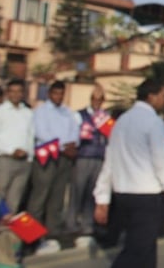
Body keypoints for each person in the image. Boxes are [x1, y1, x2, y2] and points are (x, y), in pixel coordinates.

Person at [93, 79, 164, 268]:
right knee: (137, 250)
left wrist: (102, 198)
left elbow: (110, 161)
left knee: (147, 249)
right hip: (145, 194)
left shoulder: (121, 121)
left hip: (123, 193)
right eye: (162, 95)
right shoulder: (153, 122)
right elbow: (162, 162)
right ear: (152, 96)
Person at [27, 81, 79, 242]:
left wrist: (72, 144)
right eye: (55, 93)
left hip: (64, 158)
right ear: (49, 94)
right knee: (41, 194)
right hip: (47, 156)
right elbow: (42, 133)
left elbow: (75, 131)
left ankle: (52, 230)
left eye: (61, 93)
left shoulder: (68, 112)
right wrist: (64, 145)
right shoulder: (41, 111)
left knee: (58, 194)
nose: (59, 96)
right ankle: (33, 233)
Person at [0, 79, 33, 215]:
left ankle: (7, 232)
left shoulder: (28, 113)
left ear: (23, 93)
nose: (16, 94)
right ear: (7, 93)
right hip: (3, 161)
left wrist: (30, 157)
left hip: (24, 163)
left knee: (15, 199)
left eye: (19, 91)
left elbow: (31, 137)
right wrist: (11, 151)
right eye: (12, 91)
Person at [67, 85, 109, 236]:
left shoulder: (106, 116)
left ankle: (87, 223)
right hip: (83, 155)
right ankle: (71, 222)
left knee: (93, 192)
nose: (97, 102)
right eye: (94, 99)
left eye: (100, 99)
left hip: (99, 156)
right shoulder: (79, 115)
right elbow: (73, 133)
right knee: (78, 190)